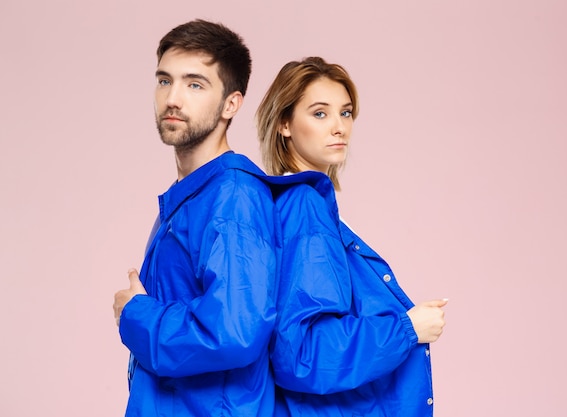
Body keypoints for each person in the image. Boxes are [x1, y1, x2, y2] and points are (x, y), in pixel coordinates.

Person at [256, 56, 448, 416]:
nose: (339, 127)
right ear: (284, 123)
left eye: (345, 113)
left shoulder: (300, 205)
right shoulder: (304, 206)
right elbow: (302, 353)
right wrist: (407, 328)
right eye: (319, 113)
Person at [112, 19, 278, 416]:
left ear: (231, 103)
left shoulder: (233, 197)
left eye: (195, 84)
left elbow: (234, 332)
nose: (173, 99)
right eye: (164, 81)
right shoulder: (193, 194)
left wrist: (136, 314)